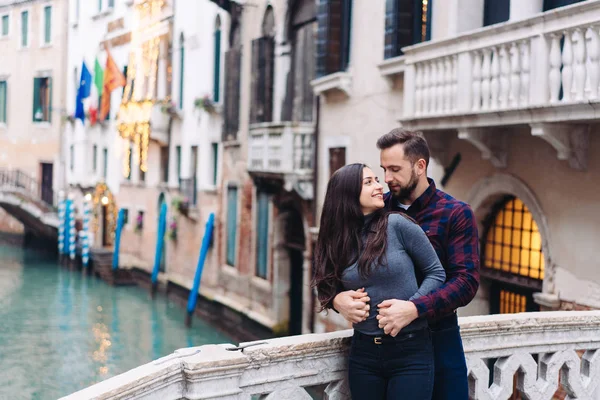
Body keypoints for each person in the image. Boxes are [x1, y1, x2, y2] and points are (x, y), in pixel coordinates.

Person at [332, 129, 480, 400]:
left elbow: (465, 282)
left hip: (440, 339)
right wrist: (336, 300)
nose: (387, 179)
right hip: (379, 350)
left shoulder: (456, 213)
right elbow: (337, 263)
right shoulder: (376, 208)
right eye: (383, 170)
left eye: (395, 169)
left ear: (420, 166)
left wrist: (414, 308)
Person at [313, 163, 446, 400]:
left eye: (376, 180)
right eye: (369, 182)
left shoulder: (398, 224)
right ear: (347, 193)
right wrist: (337, 300)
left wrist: (411, 308)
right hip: (363, 354)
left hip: (411, 351)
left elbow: (437, 273)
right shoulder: (336, 238)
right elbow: (324, 285)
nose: (379, 186)